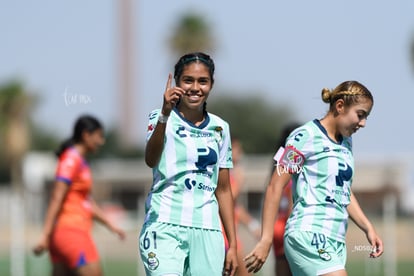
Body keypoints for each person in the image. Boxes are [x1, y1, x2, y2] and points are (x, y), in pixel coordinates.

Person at [245, 81, 384, 275]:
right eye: (360, 115)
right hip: (308, 234)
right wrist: (266, 239)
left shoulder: (346, 142)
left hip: (334, 240)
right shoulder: (305, 136)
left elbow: (343, 190)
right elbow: (275, 186)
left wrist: (368, 227)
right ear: (340, 106)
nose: (363, 123)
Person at [140, 52, 238, 276]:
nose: (195, 87)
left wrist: (232, 244)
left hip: (207, 230)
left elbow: (223, 190)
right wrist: (165, 115)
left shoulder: (221, 127)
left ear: (211, 85)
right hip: (164, 224)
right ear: (177, 83)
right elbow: (150, 160)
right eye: (188, 80)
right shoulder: (159, 117)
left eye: (202, 81)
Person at [33, 115, 126, 276]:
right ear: (86, 135)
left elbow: (86, 202)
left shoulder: (80, 162)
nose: (101, 141)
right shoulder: (71, 159)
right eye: (99, 136)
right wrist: (45, 235)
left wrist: (110, 225)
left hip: (64, 237)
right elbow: (56, 197)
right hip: (72, 234)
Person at [223, 136, 261, 276]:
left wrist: (253, 225)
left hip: (230, 235)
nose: (240, 153)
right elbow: (227, 200)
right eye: (238, 149)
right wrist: (239, 182)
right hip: (224, 235)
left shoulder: (231, 174)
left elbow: (236, 209)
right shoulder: (225, 175)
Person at [270, 123, 300, 276]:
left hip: (277, 225)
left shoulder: (276, 167)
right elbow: (291, 203)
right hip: (288, 225)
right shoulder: (295, 157)